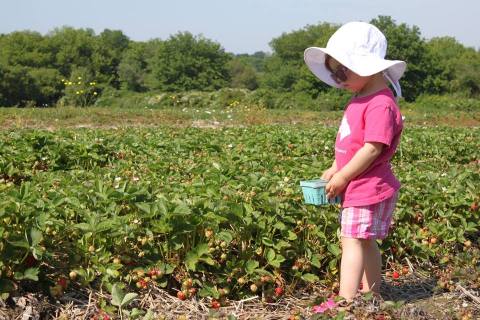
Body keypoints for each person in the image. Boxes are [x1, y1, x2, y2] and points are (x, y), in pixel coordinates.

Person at [304, 21, 406, 301]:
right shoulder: (361, 97)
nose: (337, 79)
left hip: (368, 187)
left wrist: (344, 176)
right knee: (364, 241)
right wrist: (336, 167)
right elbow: (354, 145)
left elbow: (372, 148)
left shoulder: (380, 104)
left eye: (341, 70)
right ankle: (371, 294)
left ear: (366, 65)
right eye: (333, 72)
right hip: (363, 185)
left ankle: (346, 302)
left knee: (351, 242)